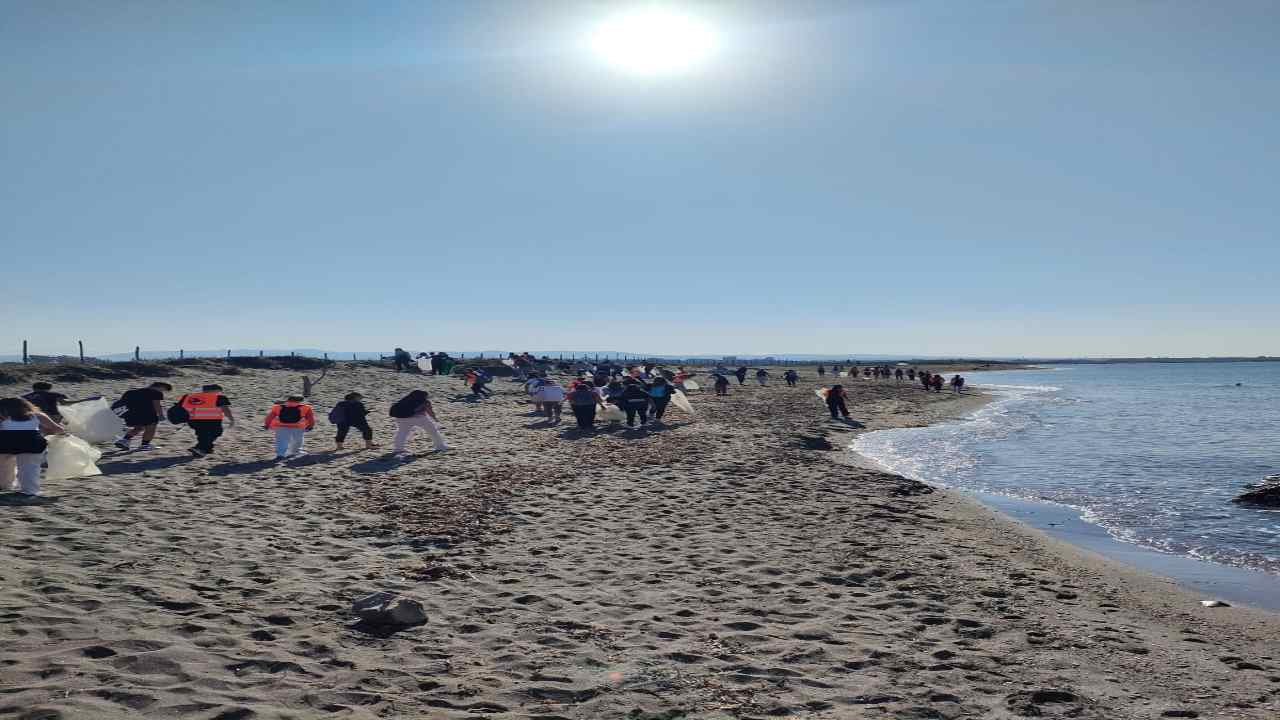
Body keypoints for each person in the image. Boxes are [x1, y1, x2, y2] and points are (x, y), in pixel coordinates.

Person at [0, 397, 63, 496]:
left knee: (4, 466)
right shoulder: (37, 416)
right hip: (32, 443)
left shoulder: (2, 417)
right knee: (29, 467)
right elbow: (57, 429)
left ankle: (5, 486)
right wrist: (47, 432)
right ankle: (30, 490)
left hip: (5, 444)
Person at [112, 381, 173, 451]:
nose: (163, 391)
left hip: (129, 414)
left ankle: (124, 440)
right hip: (146, 413)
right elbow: (157, 405)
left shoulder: (130, 392)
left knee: (139, 428)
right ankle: (145, 445)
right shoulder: (156, 392)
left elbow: (122, 403)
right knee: (151, 427)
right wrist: (161, 415)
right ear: (162, 387)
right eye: (164, 390)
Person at [178, 385, 234, 456]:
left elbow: (185, 408)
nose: (219, 393)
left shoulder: (193, 396)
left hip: (194, 420)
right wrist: (231, 419)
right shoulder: (219, 398)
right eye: (218, 391)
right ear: (215, 390)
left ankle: (206, 449)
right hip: (212, 420)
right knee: (215, 433)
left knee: (202, 434)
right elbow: (225, 409)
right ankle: (200, 448)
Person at [389, 390, 448, 454]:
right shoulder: (425, 402)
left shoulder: (405, 400)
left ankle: (398, 449)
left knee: (402, 433)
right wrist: (435, 419)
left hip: (401, 418)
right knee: (433, 431)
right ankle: (440, 446)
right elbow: (430, 412)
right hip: (419, 418)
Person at [264, 395, 315, 460]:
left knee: (281, 441)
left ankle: (280, 454)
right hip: (298, 427)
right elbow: (310, 418)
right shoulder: (306, 408)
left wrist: (267, 425)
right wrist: (310, 426)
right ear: (301, 401)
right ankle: (295, 452)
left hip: (281, 427)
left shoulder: (277, 407)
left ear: (288, 400)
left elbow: (269, 417)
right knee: (297, 441)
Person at [22, 382, 88, 424]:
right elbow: (65, 403)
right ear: (48, 388)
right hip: (52, 417)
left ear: (34, 388)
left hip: (32, 418)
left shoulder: (24, 397)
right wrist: (85, 400)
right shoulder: (54, 394)